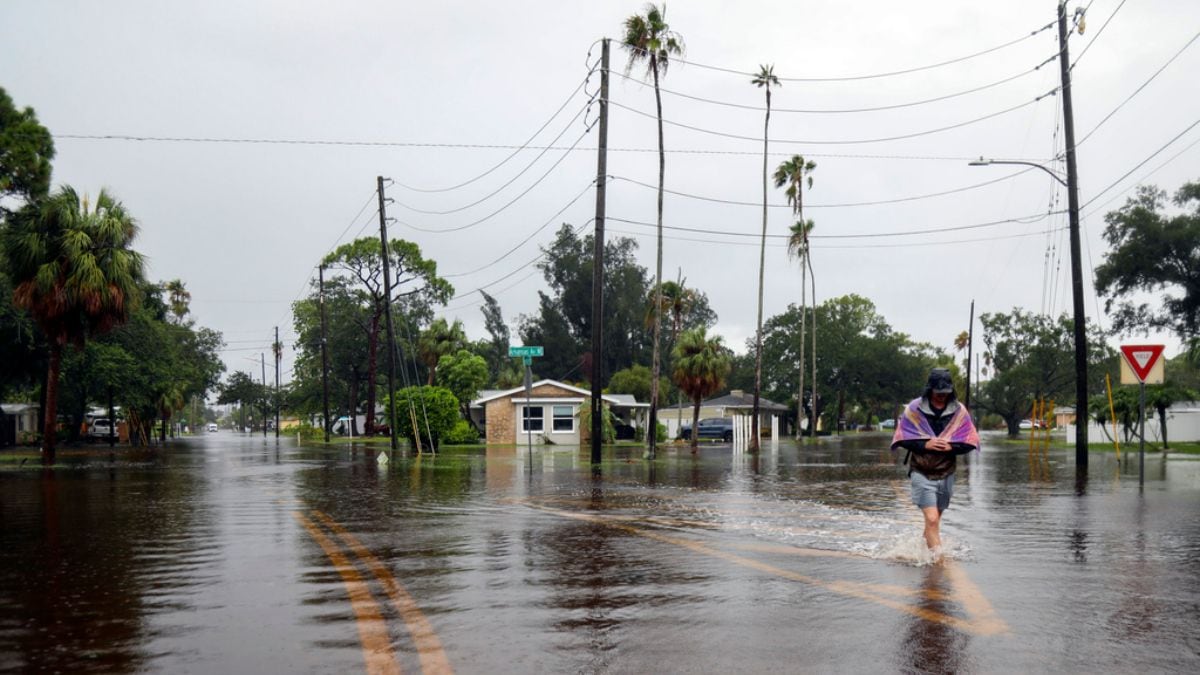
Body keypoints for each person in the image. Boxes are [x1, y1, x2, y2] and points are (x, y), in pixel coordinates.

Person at [890, 368, 979, 557]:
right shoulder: (914, 409)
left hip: (946, 472)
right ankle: (939, 564)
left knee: (934, 521)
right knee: (931, 519)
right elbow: (902, 438)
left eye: (945, 393)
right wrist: (926, 444)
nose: (941, 396)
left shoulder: (959, 411)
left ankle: (920, 555)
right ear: (929, 390)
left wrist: (951, 448)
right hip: (921, 471)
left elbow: (970, 441)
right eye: (938, 392)